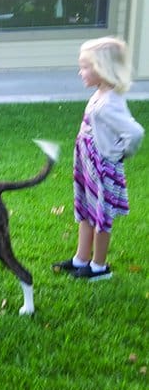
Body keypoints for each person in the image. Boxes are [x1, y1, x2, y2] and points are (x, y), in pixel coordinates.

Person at [52, 37, 144, 281]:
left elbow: (135, 133)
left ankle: (99, 267)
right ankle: (81, 259)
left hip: (102, 169)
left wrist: (118, 153)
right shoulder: (100, 95)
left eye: (85, 66)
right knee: (86, 212)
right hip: (89, 164)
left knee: (101, 218)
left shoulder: (109, 103)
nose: (80, 72)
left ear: (102, 69)